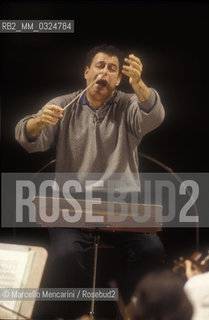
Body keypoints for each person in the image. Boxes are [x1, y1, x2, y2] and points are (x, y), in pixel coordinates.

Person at [15, 44, 165, 317]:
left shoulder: (128, 104)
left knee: (151, 250)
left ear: (119, 79)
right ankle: (74, 313)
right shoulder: (63, 104)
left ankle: (132, 310)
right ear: (86, 72)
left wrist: (140, 85)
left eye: (112, 68)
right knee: (65, 256)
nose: (104, 72)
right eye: (100, 66)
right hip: (71, 207)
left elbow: (154, 115)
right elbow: (28, 139)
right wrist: (37, 122)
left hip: (122, 207)